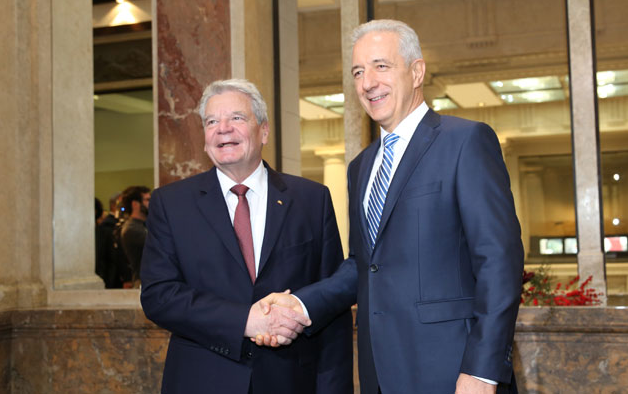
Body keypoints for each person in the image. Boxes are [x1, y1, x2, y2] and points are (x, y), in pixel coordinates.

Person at [259, 19, 524, 394]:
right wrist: (301, 306)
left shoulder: (465, 141)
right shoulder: (361, 168)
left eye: (381, 66)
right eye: (358, 72)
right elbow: (363, 266)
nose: (368, 82)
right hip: (379, 374)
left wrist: (482, 371)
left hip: (453, 372)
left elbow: (499, 261)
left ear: (417, 72)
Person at [139, 79, 353, 394]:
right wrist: (245, 320)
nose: (223, 129)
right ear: (204, 138)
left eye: (236, 118)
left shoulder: (311, 199)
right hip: (202, 381)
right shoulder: (171, 203)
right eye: (212, 121)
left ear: (263, 130)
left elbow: (332, 301)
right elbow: (159, 296)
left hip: (292, 382)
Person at [119, 185, 151, 286]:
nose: (151, 204)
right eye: (147, 200)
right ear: (135, 204)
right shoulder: (131, 229)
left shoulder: (143, 224)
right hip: (143, 282)